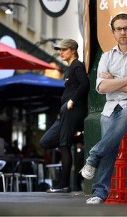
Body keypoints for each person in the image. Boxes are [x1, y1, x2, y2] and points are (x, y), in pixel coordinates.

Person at [80, 13, 127, 204]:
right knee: (111, 140)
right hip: (112, 107)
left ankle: (92, 157)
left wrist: (113, 81)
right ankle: (99, 193)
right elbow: (101, 87)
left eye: (126, 28)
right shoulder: (106, 57)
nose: (123, 32)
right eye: (118, 29)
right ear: (113, 32)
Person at [39, 39, 90, 193]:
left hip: (72, 111)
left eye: (64, 49)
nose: (60, 52)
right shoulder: (69, 69)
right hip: (64, 113)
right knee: (45, 141)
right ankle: (77, 136)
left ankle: (64, 184)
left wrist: (72, 100)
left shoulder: (77, 65)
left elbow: (85, 84)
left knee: (64, 145)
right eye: (59, 50)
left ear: (72, 50)